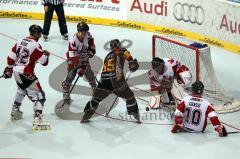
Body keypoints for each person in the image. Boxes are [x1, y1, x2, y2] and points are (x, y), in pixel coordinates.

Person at [2, 24, 50, 130]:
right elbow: (44, 62)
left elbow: (10, 59)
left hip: (16, 72)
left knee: (21, 90)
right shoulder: (36, 45)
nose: (40, 36)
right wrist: (46, 55)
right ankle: (38, 120)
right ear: (37, 34)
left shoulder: (19, 41)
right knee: (39, 96)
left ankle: (15, 112)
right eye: (40, 34)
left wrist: (9, 69)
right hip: (27, 73)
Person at [81, 39, 140, 123]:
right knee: (130, 96)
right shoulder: (122, 50)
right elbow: (130, 59)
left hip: (104, 81)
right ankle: (136, 116)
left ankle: (85, 117)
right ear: (118, 45)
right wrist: (132, 62)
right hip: (116, 81)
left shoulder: (107, 56)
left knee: (96, 99)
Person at [62, 22, 96, 104]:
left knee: (90, 74)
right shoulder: (72, 40)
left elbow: (91, 41)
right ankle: (66, 93)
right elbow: (73, 57)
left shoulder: (87, 34)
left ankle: (96, 92)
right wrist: (79, 69)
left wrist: (92, 49)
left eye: (86, 31)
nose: (85, 33)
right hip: (73, 58)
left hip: (83, 56)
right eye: (84, 32)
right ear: (79, 31)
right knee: (71, 76)